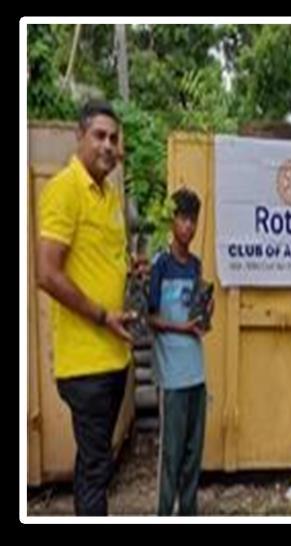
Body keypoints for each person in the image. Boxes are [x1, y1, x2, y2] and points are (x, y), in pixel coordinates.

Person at [37, 99, 133, 515]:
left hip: (114, 356)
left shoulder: (109, 195)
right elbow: (47, 273)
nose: (108, 145)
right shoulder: (65, 189)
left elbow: (100, 257)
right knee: (96, 469)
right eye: (99, 136)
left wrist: (129, 266)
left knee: (95, 464)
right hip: (85, 364)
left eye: (114, 138)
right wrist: (101, 315)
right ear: (79, 136)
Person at [148, 188, 213, 516]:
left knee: (192, 454)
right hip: (171, 377)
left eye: (193, 220)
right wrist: (181, 328)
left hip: (196, 373)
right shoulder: (160, 264)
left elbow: (199, 321)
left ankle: (188, 512)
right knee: (171, 455)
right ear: (172, 220)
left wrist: (206, 313)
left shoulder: (196, 266)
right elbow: (150, 318)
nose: (188, 226)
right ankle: (163, 513)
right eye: (183, 218)